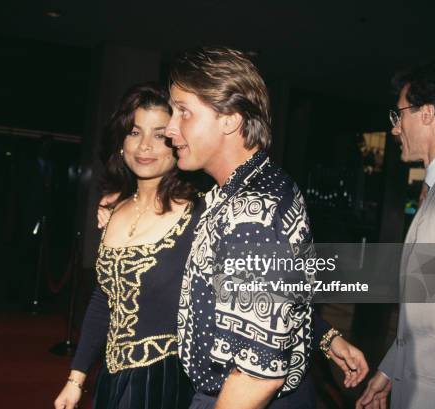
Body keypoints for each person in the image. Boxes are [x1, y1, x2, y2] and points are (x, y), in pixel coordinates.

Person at [165, 46, 343, 409]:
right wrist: (326, 337)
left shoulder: (251, 212)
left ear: (230, 119)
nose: (170, 128)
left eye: (183, 111)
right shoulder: (256, 187)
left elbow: (258, 373)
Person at [54, 83, 198, 409]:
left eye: (160, 135)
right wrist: (75, 379)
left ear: (178, 141)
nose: (145, 145)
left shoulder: (199, 214)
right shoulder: (114, 211)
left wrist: (325, 338)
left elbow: (256, 283)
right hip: (110, 379)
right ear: (121, 141)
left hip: (166, 381)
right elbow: (104, 300)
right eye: (135, 132)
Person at [357, 60, 435, 409]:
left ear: (428, 113)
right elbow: (434, 302)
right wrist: (390, 371)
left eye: (398, 114)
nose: (394, 128)